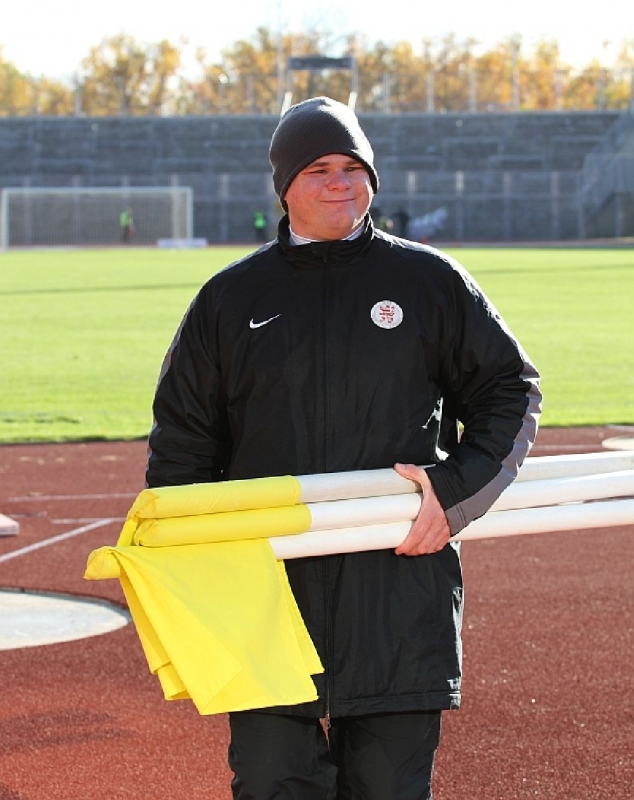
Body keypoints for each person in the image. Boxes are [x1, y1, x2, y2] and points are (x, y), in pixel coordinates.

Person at [146, 96, 542, 799]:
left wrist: (455, 495)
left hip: (398, 590)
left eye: (354, 167)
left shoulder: (430, 282)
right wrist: (196, 574)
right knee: (272, 783)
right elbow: (182, 445)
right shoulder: (229, 300)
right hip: (268, 598)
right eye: (319, 169)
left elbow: (509, 390)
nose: (341, 182)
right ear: (285, 186)